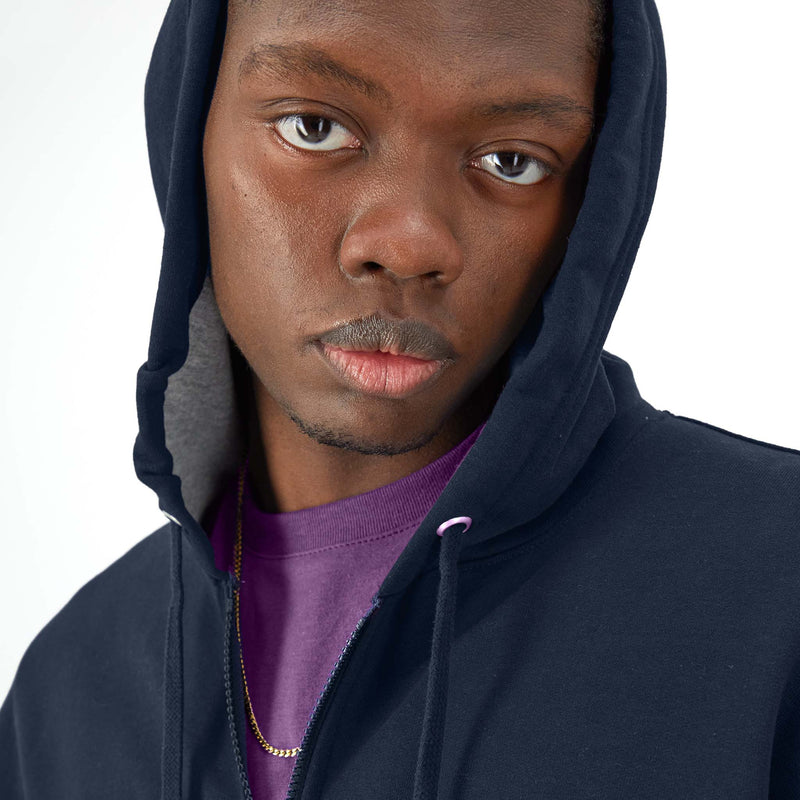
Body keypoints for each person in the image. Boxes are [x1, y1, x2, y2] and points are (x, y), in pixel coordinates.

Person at [1, 0, 799, 797]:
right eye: (314, 127)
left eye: (511, 161)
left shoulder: (775, 588)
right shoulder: (66, 693)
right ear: (187, 136)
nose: (408, 244)